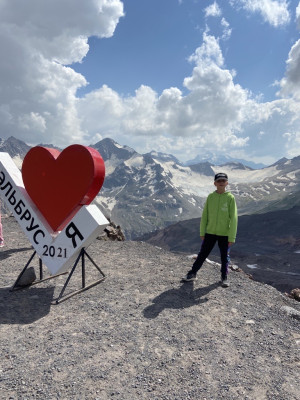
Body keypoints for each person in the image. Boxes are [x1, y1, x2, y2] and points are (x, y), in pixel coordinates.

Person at [183, 172, 238, 287]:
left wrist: (232, 236)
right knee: (202, 254)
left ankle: (224, 277)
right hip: (210, 232)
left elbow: (233, 218)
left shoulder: (230, 198)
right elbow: (205, 216)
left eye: (223, 181)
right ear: (215, 183)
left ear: (227, 183)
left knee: (224, 257)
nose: (221, 183)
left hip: (225, 234)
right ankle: (192, 273)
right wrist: (202, 231)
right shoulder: (211, 197)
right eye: (219, 181)